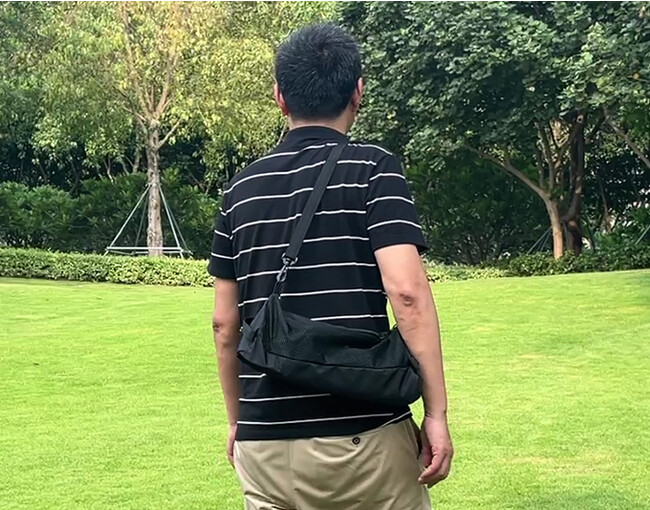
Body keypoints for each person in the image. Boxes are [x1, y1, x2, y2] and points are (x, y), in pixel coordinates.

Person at [209, 23, 453, 510]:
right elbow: (407, 293)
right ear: (358, 92)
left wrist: (238, 421)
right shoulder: (374, 170)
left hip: (265, 443)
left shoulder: (239, 192)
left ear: (280, 97)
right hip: (366, 434)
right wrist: (436, 414)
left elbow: (223, 325)